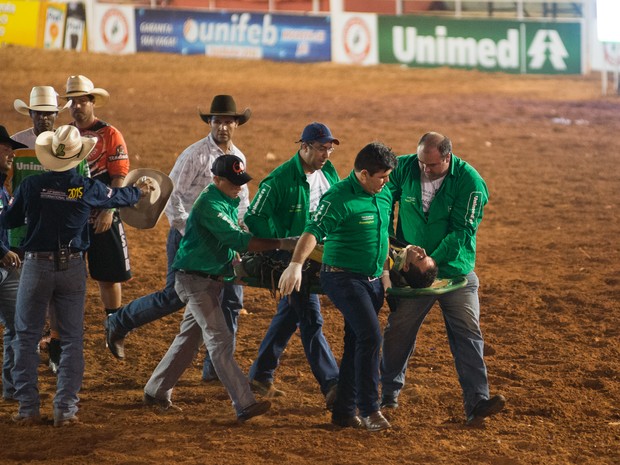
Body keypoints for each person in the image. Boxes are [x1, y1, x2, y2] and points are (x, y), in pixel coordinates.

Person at [1, 125, 154, 426]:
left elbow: (10, 219)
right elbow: (121, 197)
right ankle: (65, 411)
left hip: (35, 266)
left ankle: (28, 409)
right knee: (71, 340)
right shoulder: (85, 187)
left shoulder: (31, 186)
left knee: (26, 337)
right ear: (76, 157)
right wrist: (143, 189)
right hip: (71, 267)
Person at [104, 96, 251, 382]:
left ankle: (215, 371)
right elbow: (172, 198)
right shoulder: (194, 155)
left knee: (231, 299)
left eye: (227, 121)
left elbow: (241, 202)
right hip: (189, 238)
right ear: (210, 122)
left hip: (221, 240)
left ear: (236, 124)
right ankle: (119, 321)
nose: (222, 126)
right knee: (174, 295)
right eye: (217, 121)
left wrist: (236, 236)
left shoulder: (238, 158)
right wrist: (192, 233)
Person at [143, 155, 295, 422]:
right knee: (220, 340)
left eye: (241, 181)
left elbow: (230, 242)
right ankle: (244, 403)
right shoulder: (209, 205)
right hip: (195, 281)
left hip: (208, 280)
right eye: (234, 182)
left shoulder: (226, 199)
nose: (239, 187)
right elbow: (237, 239)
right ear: (217, 180)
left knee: (190, 340)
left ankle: (156, 391)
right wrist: (281, 243)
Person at [380, 131, 505, 426]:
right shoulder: (406, 166)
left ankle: (477, 403)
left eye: (432, 165)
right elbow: (383, 200)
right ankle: (387, 394)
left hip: (454, 271)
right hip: (411, 271)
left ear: (448, 157)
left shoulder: (470, 182)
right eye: (422, 162)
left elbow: (462, 231)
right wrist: (391, 244)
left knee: (468, 331)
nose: (424, 168)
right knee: (398, 331)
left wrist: (428, 260)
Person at [279, 142, 397, 432]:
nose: (386, 182)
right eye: (381, 176)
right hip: (343, 278)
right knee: (371, 337)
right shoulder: (338, 198)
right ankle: (370, 409)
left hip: (371, 281)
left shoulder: (383, 194)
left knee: (356, 341)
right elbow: (313, 230)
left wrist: (384, 274)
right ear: (363, 174)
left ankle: (344, 412)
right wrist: (295, 264)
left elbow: (382, 235)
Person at [245, 122, 340, 405]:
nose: (326, 154)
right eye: (321, 148)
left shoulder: (328, 172)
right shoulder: (279, 179)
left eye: (330, 148)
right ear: (304, 147)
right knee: (310, 316)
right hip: (292, 257)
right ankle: (333, 385)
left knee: (290, 312)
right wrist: (285, 242)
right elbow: (254, 217)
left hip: (318, 253)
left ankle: (261, 374)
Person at [11, 85, 91, 374]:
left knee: (53, 297)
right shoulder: (16, 144)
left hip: (55, 232)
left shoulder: (69, 146)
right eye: (39, 113)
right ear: (30, 113)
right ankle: (30, 345)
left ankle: (54, 347)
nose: (44, 119)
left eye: (50, 114)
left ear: (57, 114)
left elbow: (81, 185)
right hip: (23, 231)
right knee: (27, 293)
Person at [61, 75, 131, 317]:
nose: (77, 106)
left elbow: (119, 175)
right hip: (73, 217)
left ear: (92, 102)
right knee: (66, 276)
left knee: (109, 276)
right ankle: (60, 332)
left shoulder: (110, 134)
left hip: (102, 213)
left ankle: (114, 323)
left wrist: (109, 210)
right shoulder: (65, 133)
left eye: (82, 101)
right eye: (73, 101)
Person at [0, 126, 27, 402]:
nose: (11, 153)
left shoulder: (3, 189)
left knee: (17, 327)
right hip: (4, 261)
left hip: (8, 268)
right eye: (5, 148)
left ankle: (12, 388)